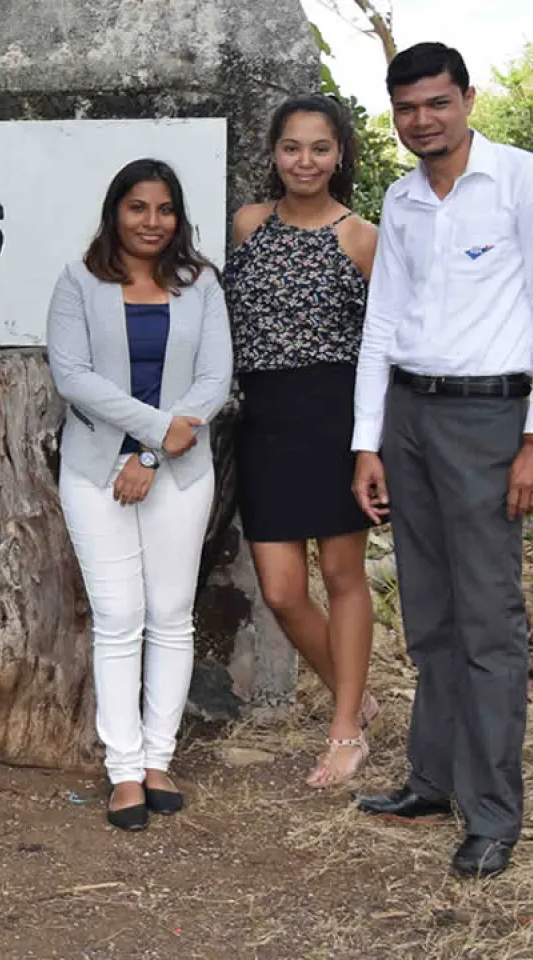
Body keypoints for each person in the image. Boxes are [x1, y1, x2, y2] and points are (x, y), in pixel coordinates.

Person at [350, 42, 533, 880]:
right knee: (427, 613)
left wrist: (532, 439)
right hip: (409, 418)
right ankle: (431, 778)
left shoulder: (520, 182)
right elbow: (381, 322)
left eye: (436, 103)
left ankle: (493, 812)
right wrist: (367, 442)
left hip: (492, 416)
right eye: (406, 107)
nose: (422, 120)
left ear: (466, 99)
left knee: (489, 620)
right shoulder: (401, 197)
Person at [47, 158, 232, 832]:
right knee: (120, 616)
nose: (151, 222)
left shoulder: (200, 283)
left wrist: (152, 454)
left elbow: (214, 378)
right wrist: (151, 434)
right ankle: (123, 769)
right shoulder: (80, 281)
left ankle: (160, 758)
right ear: (115, 213)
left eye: (164, 209)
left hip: (178, 472)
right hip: (97, 470)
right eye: (137, 208)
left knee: (171, 612)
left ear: (178, 217)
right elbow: (73, 377)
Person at [224, 94, 382, 788]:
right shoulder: (248, 226)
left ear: (340, 154)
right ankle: (357, 693)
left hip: (336, 420)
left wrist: (372, 443)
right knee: (284, 592)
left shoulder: (362, 237)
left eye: (320, 148)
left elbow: (383, 346)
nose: (305, 161)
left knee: (344, 578)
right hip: (264, 422)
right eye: (292, 147)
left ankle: (345, 730)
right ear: (274, 153)